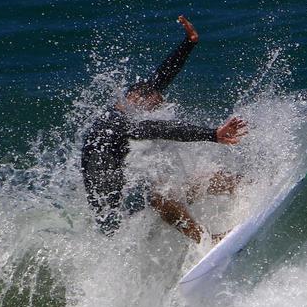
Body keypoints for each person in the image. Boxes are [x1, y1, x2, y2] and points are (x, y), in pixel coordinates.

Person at [81, 16, 248, 242]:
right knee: (161, 193)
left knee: (198, 181)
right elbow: (157, 128)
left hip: (125, 202)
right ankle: (207, 240)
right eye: (152, 107)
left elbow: (159, 81)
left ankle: (250, 186)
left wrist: (189, 43)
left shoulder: (124, 109)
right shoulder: (115, 122)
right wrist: (212, 134)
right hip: (117, 218)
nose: (153, 112)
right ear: (136, 99)